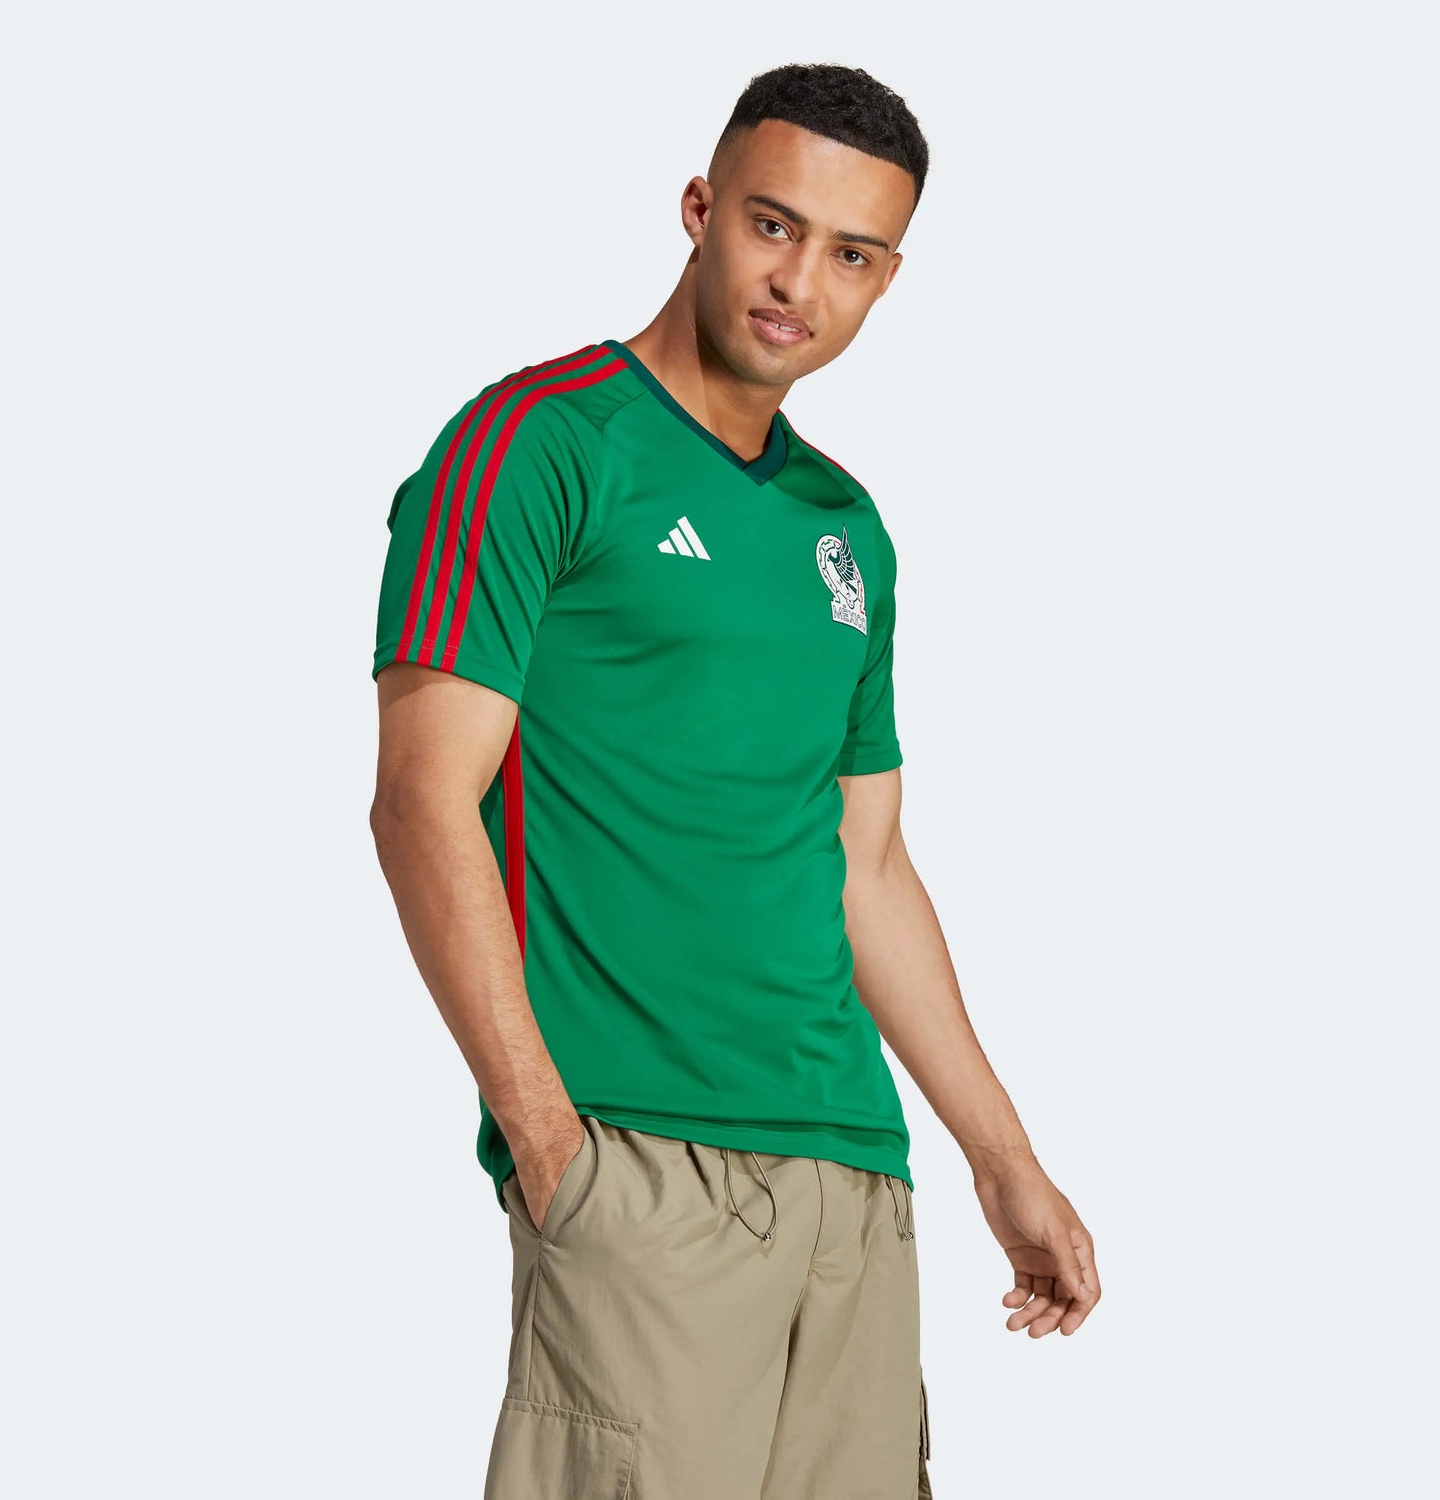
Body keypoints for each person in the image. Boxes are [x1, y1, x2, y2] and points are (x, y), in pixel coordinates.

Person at [369, 60, 1100, 1499]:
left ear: (889, 278)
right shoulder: (536, 445)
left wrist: (1000, 1157)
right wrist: (548, 1146)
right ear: (701, 209)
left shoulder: (846, 529)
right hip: (637, 1162)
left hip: (852, 1172)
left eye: (853, 254)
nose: (800, 283)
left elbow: (864, 865)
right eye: (775, 225)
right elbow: (420, 800)